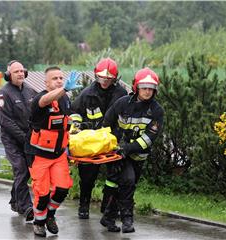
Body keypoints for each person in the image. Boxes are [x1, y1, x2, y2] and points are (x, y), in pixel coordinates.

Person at [102, 67, 164, 233]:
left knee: (126, 186)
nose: (148, 91)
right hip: (117, 153)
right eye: (144, 87)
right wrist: (111, 145)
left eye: (151, 89)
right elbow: (107, 123)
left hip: (137, 155)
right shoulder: (122, 103)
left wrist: (127, 148)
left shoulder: (157, 110)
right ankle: (127, 220)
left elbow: (149, 138)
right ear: (136, 87)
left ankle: (108, 216)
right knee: (127, 181)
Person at [70, 58, 127, 228]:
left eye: (109, 78)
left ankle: (107, 208)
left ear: (115, 79)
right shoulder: (87, 94)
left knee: (114, 177)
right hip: (92, 143)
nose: (105, 81)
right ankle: (83, 206)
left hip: (112, 142)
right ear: (96, 75)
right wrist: (76, 127)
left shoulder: (121, 95)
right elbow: (75, 112)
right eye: (102, 77)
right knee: (87, 177)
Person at [25, 66, 81, 237]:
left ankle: (50, 215)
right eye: (54, 79)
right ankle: (39, 223)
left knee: (63, 188)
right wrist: (63, 89)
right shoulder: (40, 99)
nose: (59, 81)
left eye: (60, 78)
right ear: (46, 83)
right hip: (38, 155)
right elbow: (46, 100)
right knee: (42, 194)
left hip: (58, 155)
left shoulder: (64, 99)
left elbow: (66, 121)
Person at [0, 60, 35, 221]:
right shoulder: (3, 93)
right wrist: (24, 137)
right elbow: (5, 121)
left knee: (26, 172)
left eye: (21, 71)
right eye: (16, 71)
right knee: (21, 169)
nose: (20, 74)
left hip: (28, 138)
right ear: (8, 75)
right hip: (11, 139)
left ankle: (14, 200)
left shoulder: (31, 91)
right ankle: (26, 207)